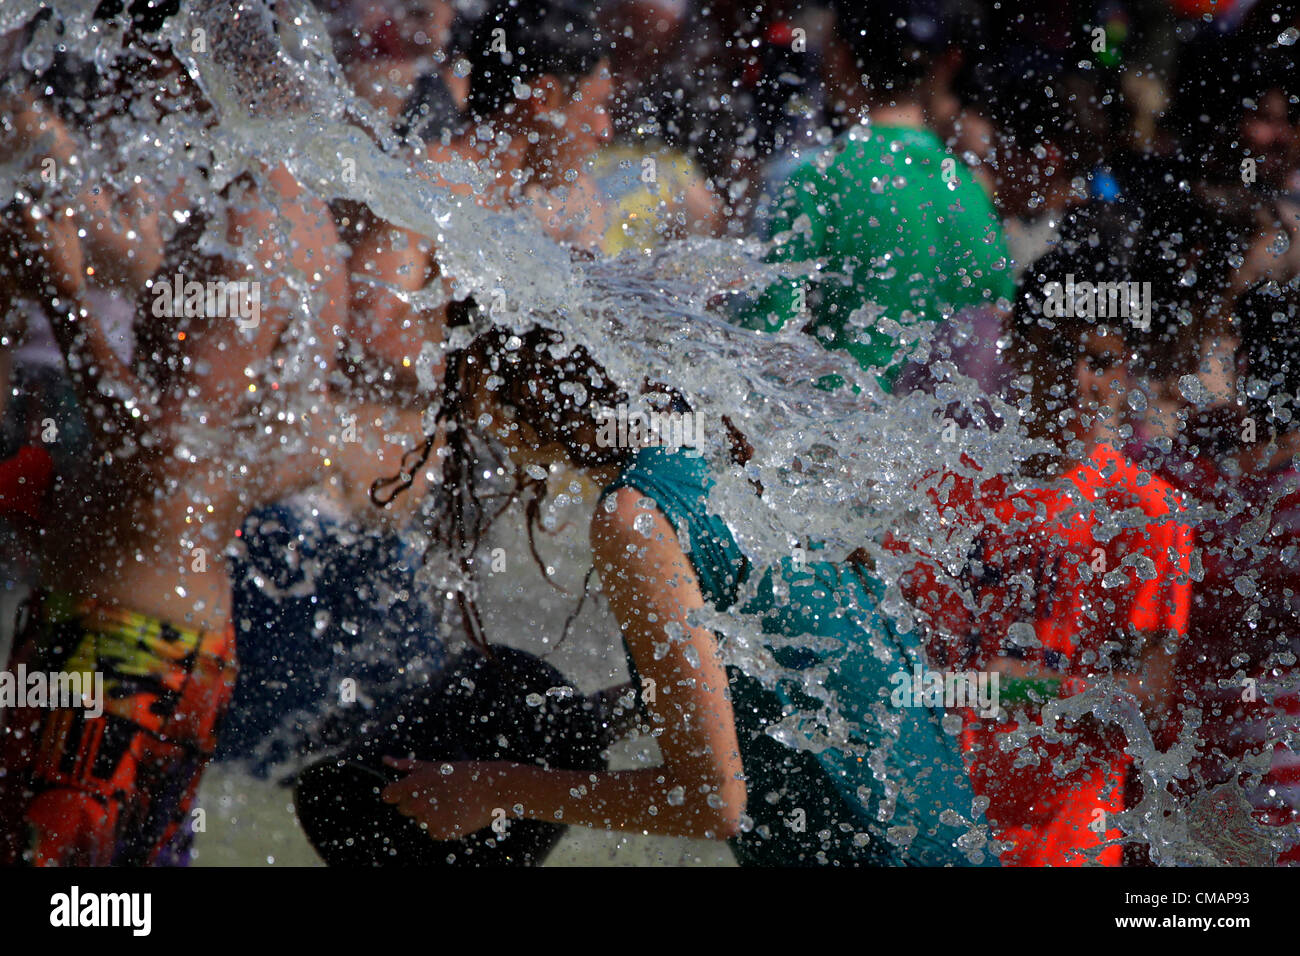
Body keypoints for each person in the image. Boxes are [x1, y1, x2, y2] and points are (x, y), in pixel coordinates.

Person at [368, 323, 991, 866]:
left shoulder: (633, 516)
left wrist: (497, 789)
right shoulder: (721, 447)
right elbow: (783, 663)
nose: (480, 427)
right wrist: (622, 711)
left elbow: (712, 801)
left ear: (523, 389)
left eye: (473, 393)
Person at [0, 0, 349, 865]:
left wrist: (66, 296)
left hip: (119, 641)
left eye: (149, 57)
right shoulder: (287, 214)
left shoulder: (246, 233)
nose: (133, 84)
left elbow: (171, 454)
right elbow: (233, 445)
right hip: (146, 630)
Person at [895, 221, 1195, 865]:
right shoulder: (951, 491)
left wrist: (1019, 688)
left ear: (1128, 370)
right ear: (1017, 349)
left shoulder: (1148, 514)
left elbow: (1148, 695)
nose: (1075, 379)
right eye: (1058, 350)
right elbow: (906, 666)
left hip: (1066, 836)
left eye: (1101, 360)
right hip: (944, 821)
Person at [737, 0, 1015, 391]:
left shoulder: (817, 179)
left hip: (832, 438)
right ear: (936, 66)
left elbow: (761, 346)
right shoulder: (972, 196)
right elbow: (995, 344)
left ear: (840, 56)